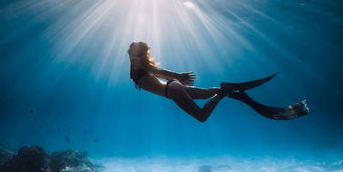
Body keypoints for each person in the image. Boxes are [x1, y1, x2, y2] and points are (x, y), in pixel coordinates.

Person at [128, 41, 309, 122]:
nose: (129, 47)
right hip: (172, 87)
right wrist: (178, 78)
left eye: (132, 45)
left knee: (202, 117)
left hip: (172, 91)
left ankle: (224, 91)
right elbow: (160, 75)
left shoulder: (137, 62)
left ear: (137, 51)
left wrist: (180, 76)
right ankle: (232, 94)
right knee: (208, 93)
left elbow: (157, 71)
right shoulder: (137, 62)